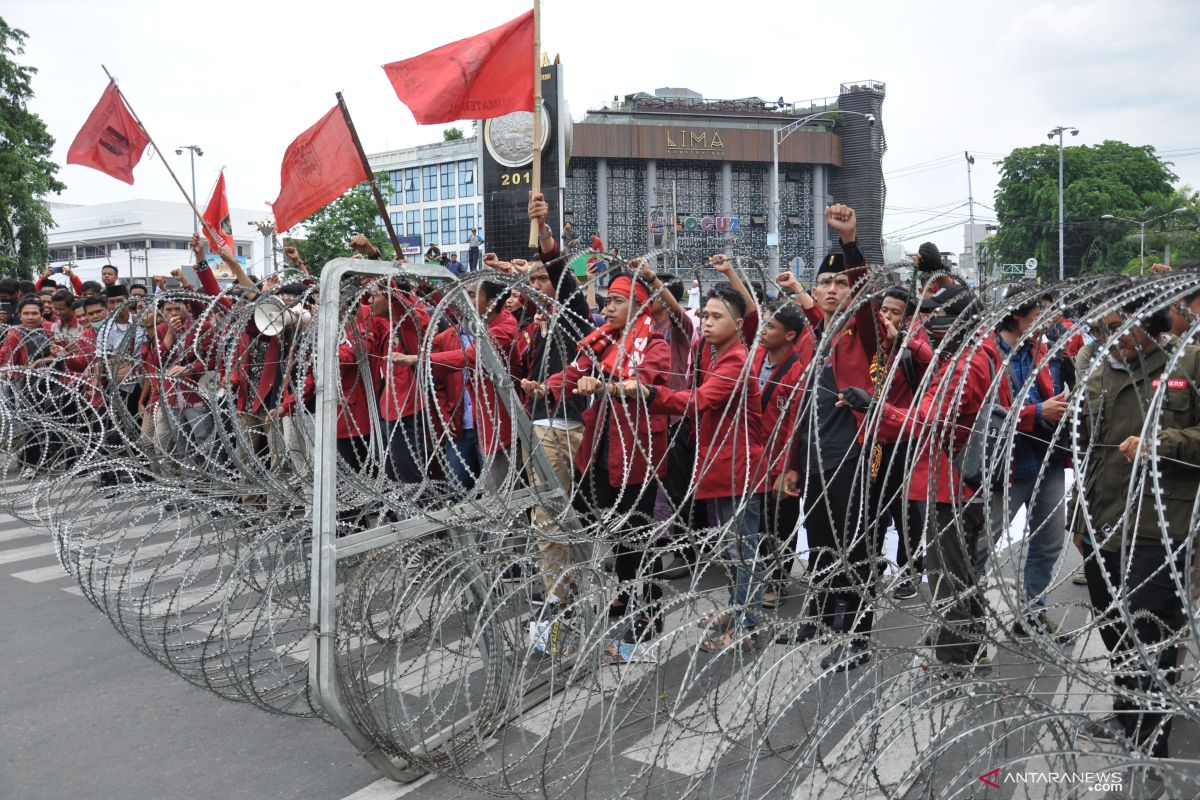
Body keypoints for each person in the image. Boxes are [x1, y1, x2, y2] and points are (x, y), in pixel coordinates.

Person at [1073, 299, 1200, 783]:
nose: (1112, 339)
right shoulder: (1102, 374)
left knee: (1150, 643)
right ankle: (1129, 722)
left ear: (1149, 327)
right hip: (1103, 526)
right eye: (1104, 331)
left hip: (1157, 525)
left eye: (1119, 330)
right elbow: (1088, 451)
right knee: (1117, 637)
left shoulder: (1185, 365)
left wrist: (1160, 443)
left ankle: (1152, 751)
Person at [869, 280, 1012, 674]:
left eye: (938, 315)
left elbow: (932, 416)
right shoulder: (962, 352)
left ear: (961, 319)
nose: (929, 322)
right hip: (948, 479)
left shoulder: (969, 360)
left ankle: (954, 659)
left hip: (953, 483)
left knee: (947, 575)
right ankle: (970, 642)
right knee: (959, 571)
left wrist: (878, 411)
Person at [623, 272, 767, 653]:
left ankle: (749, 626)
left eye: (716, 317)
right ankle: (739, 611)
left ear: (737, 324)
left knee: (742, 550)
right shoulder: (715, 353)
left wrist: (650, 392)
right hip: (722, 466)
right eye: (704, 315)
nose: (706, 322)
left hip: (738, 469)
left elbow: (697, 402)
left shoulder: (735, 362)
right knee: (732, 548)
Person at [774, 205, 881, 672]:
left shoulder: (864, 335)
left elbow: (868, 304)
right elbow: (805, 407)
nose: (834, 289)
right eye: (826, 283)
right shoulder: (817, 337)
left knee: (854, 545)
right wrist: (794, 462)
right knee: (817, 542)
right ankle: (821, 615)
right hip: (816, 455)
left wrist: (851, 242)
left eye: (842, 284)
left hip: (854, 455)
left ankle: (858, 633)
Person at [546, 273, 671, 639]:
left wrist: (605, 383)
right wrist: (542, 386)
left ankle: (648, 613)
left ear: (639, 306)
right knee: (598, 527)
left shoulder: (655, 345)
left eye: (617, 301)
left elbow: (643, 382)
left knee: (637, 539)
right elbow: (572, 375)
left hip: (635, 455)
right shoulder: (605, 342)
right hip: (599, 450)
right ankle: (620, 592)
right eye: (607, 301)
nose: (608, 308)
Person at [985, 290, 1071, 639]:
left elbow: (1049, 392)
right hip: (1006, 465)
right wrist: (1038, 412)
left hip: (1045, 460)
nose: (1045, 318)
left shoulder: (1044, 350)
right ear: (1020, 315)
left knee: (1048, 542)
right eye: (1040, 310)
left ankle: (1032, 613)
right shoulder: (989, 353)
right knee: (979, 546)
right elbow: (988, 413)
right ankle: (958, 619)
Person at [749, 299, 811, 607]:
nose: (762, 330)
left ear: (789, 335)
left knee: (780, 523)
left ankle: (777, 579)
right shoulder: (757, 357)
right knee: (758, 523)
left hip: (779, 462)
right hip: (753, 456)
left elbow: (794, 426)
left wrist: (788, 468)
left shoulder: (798, 372)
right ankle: (759, 574)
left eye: (770, 326)